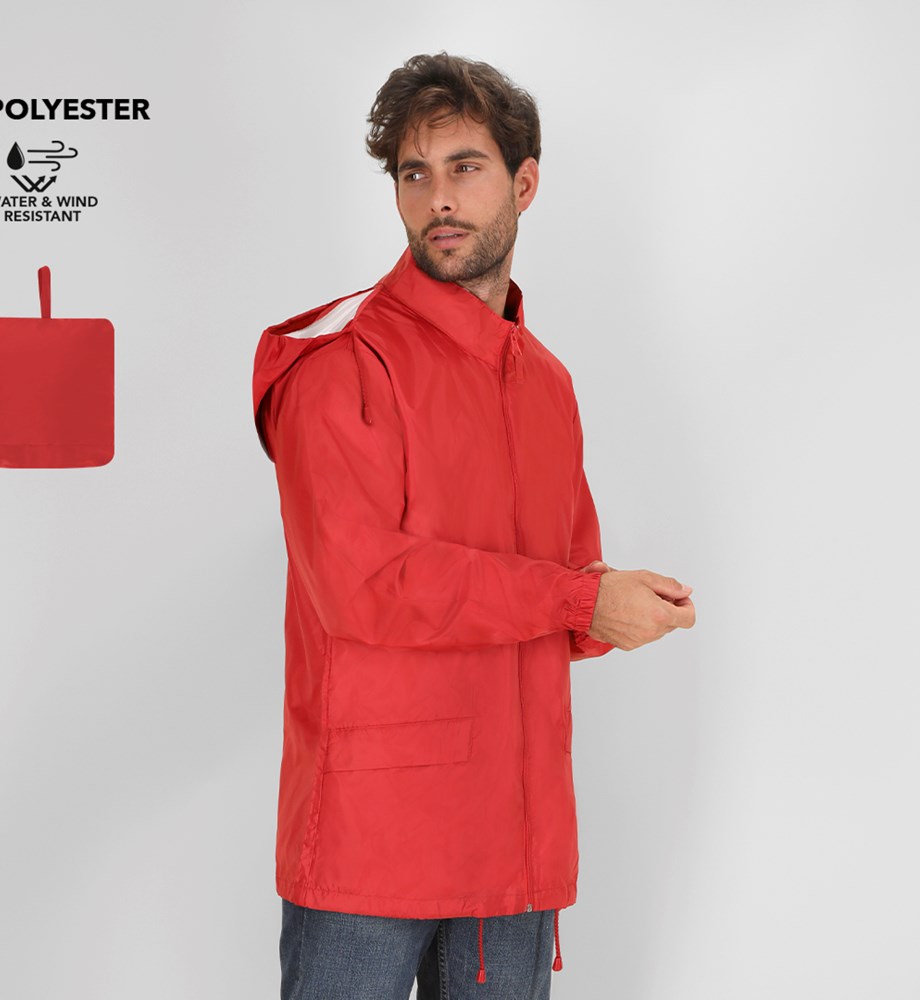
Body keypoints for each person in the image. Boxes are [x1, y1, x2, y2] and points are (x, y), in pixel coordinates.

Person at [252, 51, 696, 1000]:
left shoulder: (546, 382)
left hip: (514, 846)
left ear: (524, 184)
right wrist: (579, 600)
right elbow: (364, 585)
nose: (438, 199)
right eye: (414, 174)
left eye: (465, 167)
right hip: (371, 849)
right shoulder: (341, 363)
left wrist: (615, 603)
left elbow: (563, 582)